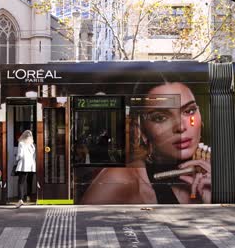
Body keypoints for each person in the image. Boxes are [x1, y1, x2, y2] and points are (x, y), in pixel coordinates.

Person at [81, 82, 211, 204]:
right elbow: (76, 226)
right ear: (142, 130)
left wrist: (213, 202)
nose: (181, 127)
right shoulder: (119, 180)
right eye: (160, 117)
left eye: (189, 111)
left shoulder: (212, 174)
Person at [15, 130, 36, 207]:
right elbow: (34, 156)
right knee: (29, 181)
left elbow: (20, 155)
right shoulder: (32, 145)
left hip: (23, 165)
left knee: (21, 182)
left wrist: (16, 159)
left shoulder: (21, 143)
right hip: (31, 166)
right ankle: (28, 196)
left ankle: (20, 199)